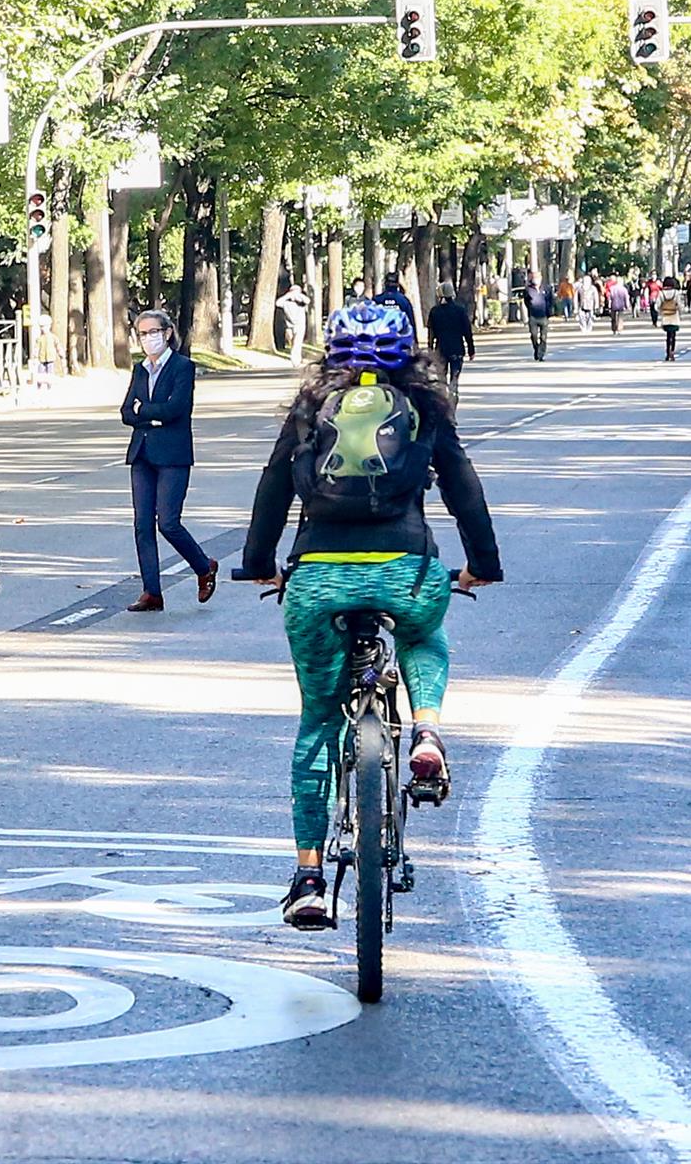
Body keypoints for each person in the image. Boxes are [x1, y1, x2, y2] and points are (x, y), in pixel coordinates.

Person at [240, 299, 502, 928]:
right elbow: (465, 489)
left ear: (330, 354)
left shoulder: (308, 412)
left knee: (318, 722)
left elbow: (272, 489)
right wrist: (482, 564)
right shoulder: (425, 410)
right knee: (423, 636)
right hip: (403, 570)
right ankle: (429, 730)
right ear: (408, 351)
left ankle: (306, 876)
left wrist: (260, 564)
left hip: (317, 581)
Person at [120, 310, 218, 612]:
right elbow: (126, 412)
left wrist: (145, 411)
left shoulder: (182, 367)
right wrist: (148, 413)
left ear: (168, 332)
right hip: (142, 453)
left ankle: (203, 567)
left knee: (169, 522)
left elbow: (177, 408)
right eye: (142, 333)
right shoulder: (139, 370)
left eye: (153, 332)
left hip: (173, 455)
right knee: (142, 524)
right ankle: (151, 592)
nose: (148, 338)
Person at [426, 280, 475, 395]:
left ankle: (444, 396)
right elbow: (467, 332)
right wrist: (471, 350)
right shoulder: (460, 311)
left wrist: (430, 348)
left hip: (441, 349)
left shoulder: (435, 311)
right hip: (457, 349)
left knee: (441, 377)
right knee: (454, 377)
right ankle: (453, 394)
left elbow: (431, 333)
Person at [277, 282, 312, 368]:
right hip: (289, 326)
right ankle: (297, 359)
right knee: (293, 343)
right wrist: (288, 295)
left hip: (300, 325)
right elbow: (278, 303)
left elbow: (308, 301)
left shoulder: (301, 303)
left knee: (297, 343)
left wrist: (299, 295)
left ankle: (295, 361)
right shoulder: (286, 303)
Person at [523, 275, 554, 360]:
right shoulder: (528, 289)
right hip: (533, 316)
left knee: (543, 337)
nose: (536, 280)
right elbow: (526, 301)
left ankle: (541, 354)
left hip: (544, 316)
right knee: (534, 335)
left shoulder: (546, 289)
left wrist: (549, 310)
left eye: (537, 279)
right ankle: (536, 349)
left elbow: (551, 300)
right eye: (534, 279)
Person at [655, 274, 685, 360]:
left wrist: (660, 311)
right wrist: (680, 312)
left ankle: (668, 351)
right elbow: (679, 305)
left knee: (668, 335)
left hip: (665, 316)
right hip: (674, 315)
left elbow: (657, 306)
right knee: (673, 335)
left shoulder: (661, 293)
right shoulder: (676, 293)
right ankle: (672, 350)